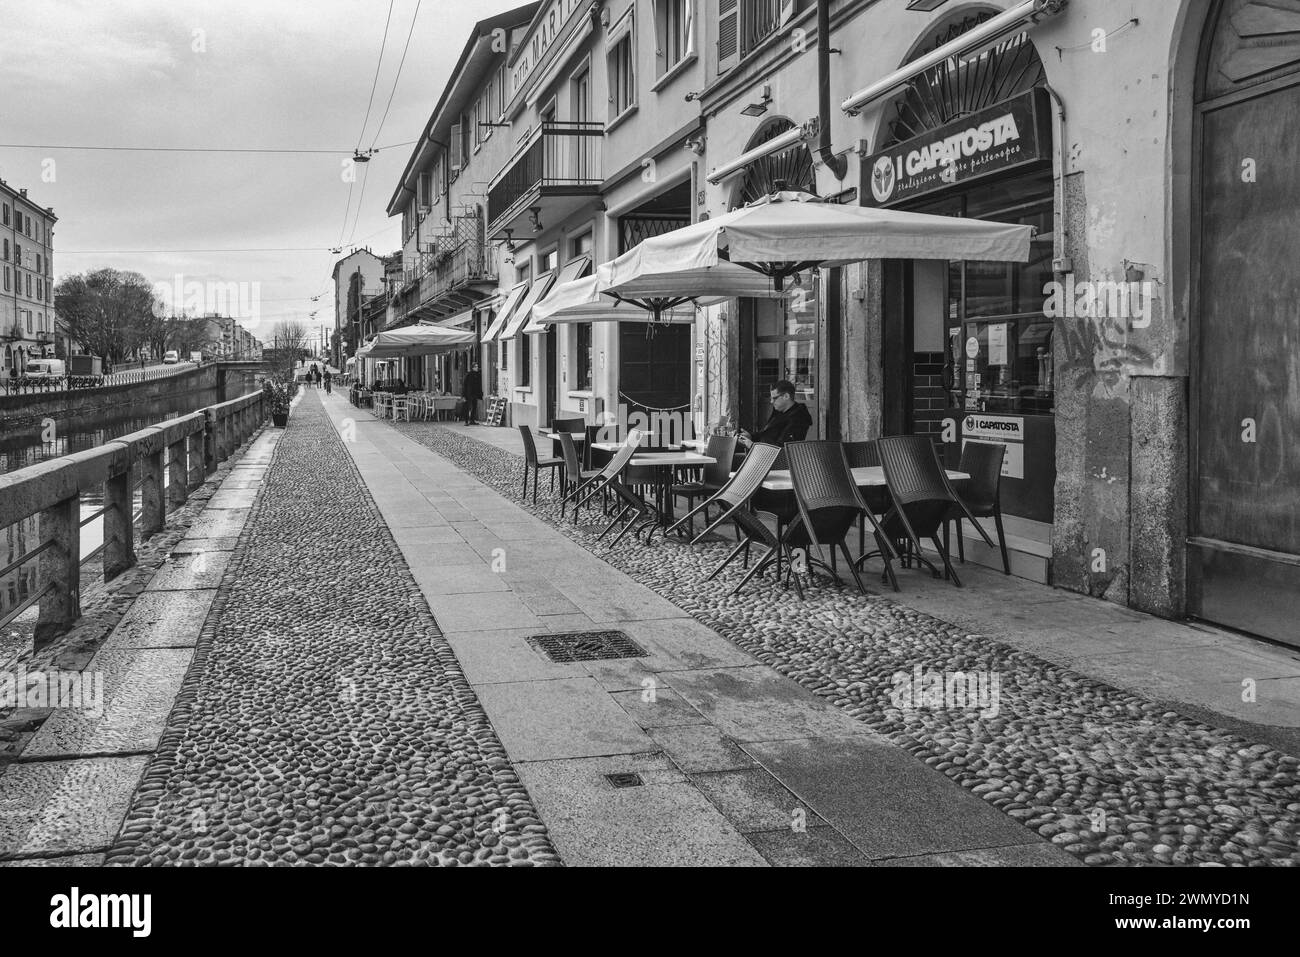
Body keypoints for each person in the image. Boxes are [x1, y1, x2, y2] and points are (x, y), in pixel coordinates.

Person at [739, 380, 812, 447]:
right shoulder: (779, 411)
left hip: (776, 459)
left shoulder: (798, 418)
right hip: (764, 454)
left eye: (774, 398)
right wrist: (751, 436)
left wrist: (753, 446)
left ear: (786, 396)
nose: (771, 401)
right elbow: (766, 433)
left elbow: (781, 448)